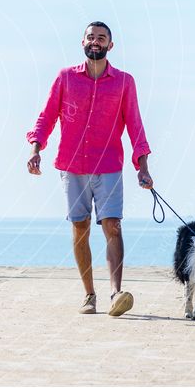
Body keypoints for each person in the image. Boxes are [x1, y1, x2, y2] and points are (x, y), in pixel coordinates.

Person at [26, 21, 153, 317]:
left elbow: (135, 125)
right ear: (82, 41)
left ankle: (115, 294)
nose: (95, 41)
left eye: (101, 38)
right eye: (91, 37)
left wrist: (142, 166)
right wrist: (35, 149)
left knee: (113, 225)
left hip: (108, 165)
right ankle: (89, 295)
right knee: (80, 227)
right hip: (72, 165)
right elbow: (46, 117)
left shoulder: (124, 82)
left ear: (111, 45)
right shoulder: (66, 78)